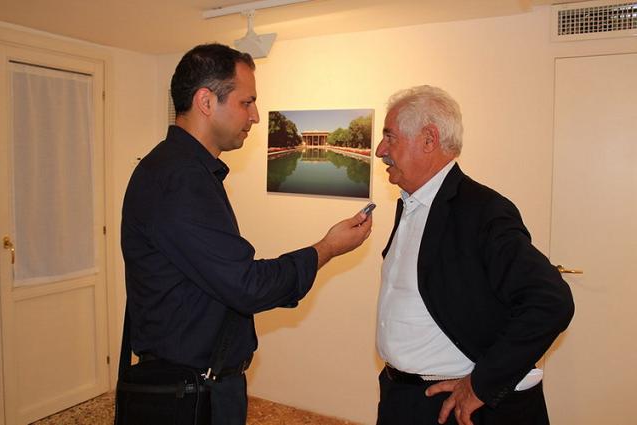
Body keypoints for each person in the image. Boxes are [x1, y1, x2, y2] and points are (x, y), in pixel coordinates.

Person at [120, 43, 372, 425]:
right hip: (188, 395)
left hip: (198, 383)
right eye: (246, 102)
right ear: (206, 101)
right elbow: (248, 285)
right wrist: (327, 248)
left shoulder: (184, 170)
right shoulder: (180, 179)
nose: (255, 116)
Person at [374, 85, 574, 425]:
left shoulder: (483, 211)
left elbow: (551, 301)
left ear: (429, 139)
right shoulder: (411, 205)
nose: (380, 150)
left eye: (390, 137)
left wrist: (481, 385)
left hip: (451, 406)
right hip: (402, 397)